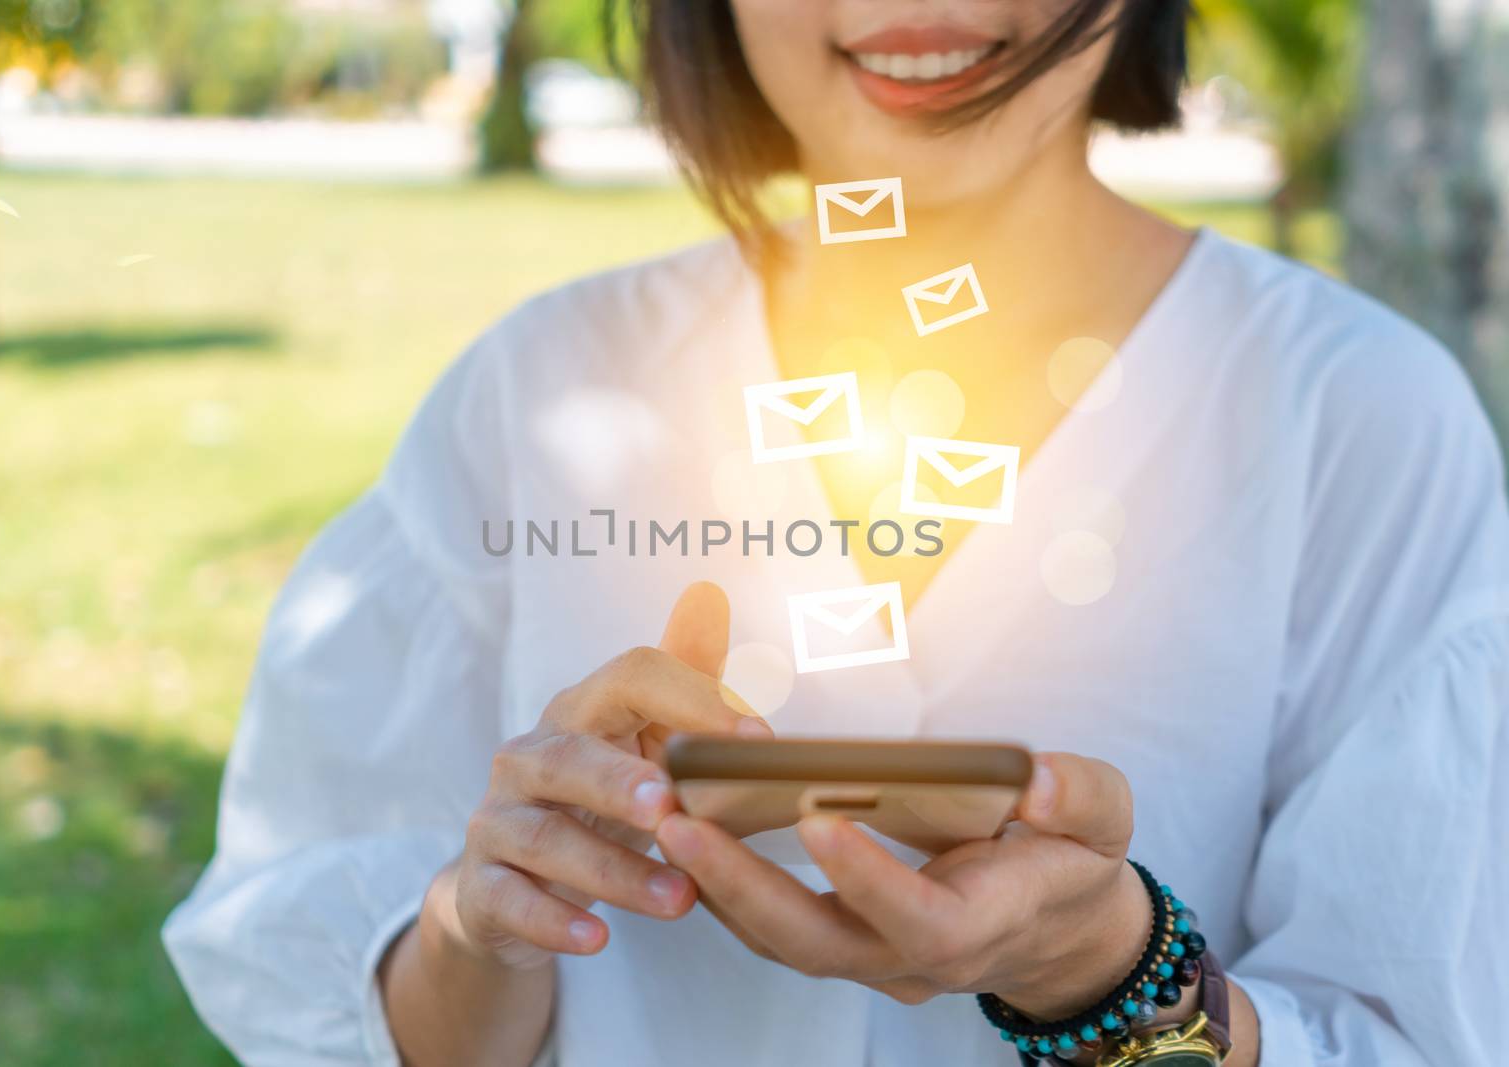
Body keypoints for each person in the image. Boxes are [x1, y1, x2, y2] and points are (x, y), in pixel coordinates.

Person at [163, 0, 1509, 1064]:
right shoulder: (538, 388)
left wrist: (1108, 974)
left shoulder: (1357, 421)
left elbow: (1424, 1032)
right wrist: (483, 921)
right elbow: (330, 990)